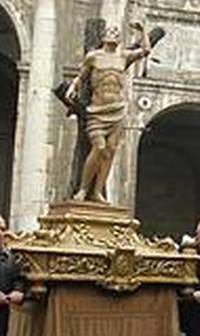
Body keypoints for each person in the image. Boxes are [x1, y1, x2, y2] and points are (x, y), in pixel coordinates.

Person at [66, 23, 151, 203]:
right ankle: (82, 189)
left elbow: (145, 50)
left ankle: (98, 191)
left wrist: (142, 31)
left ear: (120, 39)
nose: (113, 34)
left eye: (117, 32)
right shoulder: (94, 57)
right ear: (103, 37)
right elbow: (82, 76)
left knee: (110, 151)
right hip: (97, 110)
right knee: (99, 147)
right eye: (110, 32)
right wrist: (73, 87)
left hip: (117, 109)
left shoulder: (123, 56)